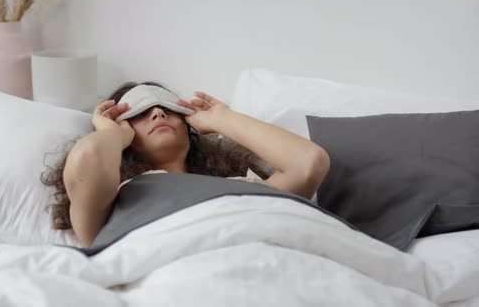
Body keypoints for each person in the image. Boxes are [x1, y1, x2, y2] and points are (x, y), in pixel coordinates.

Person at [41, 81, 330, 247]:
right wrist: (111, 132)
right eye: (140, 114)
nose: (157, 113)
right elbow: (87, 159)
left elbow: (309, 163)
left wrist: (222, 119)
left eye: (167, 108)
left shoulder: (241, 188)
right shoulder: (112, 201)